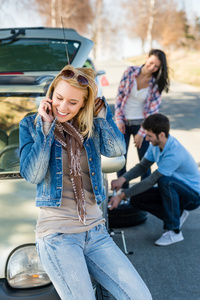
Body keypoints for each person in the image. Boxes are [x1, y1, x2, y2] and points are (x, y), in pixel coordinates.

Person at [19, 65, 152, 300]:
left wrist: (102, 116)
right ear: (51, 95)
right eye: (59, 98)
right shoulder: (31, 125)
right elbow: (33, 174)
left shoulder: (90, 127)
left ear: (84, 104)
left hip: (96, 233)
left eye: (73, 102)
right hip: (58, 236)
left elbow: (117, 149)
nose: (62, 107)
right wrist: (47, 127)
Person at [109, 113, 200, 246]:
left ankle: (174, 232)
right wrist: (122, 179)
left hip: (193, 196)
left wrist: (122, 195)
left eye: (150, 136)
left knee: (165, 181)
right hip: (176, 189)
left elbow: (152, 180)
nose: (147, 139)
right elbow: (142, 167)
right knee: (136, 198)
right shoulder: (155, 145)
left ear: (161, 135)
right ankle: (177, 214)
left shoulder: (174, 153)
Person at [115, 49, 170, 188]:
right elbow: (119, 96)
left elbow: (152, 112)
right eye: (151, 63)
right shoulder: (130, 72)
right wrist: (119, 120)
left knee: (145, 162)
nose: (152, 67)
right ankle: (122, 194)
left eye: (156, 66)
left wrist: (142, 132)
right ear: (146, 58)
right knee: (120, 160)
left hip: (143, 125)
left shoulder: (156, 83)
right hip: (123, 123)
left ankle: (144, 194)